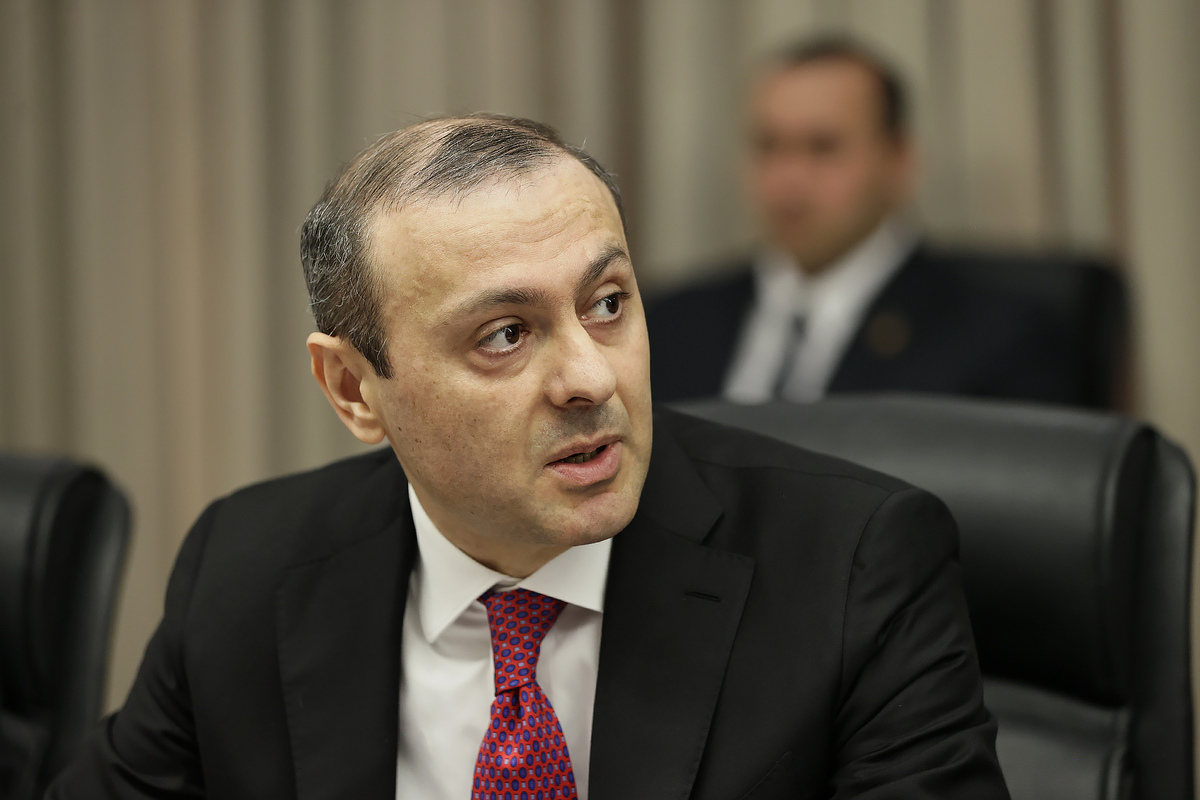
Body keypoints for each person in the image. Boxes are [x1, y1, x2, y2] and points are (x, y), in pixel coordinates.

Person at [48, 114, 1009, 798]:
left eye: (607, 304)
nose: (590, 379)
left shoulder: (853, 566)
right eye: (505, 335)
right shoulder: (247, 570)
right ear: (353, 390)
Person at [646, 37, 1115, 406]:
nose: (788, 180)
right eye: (768, 146)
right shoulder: (665, 326)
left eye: (823, 148)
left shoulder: (1001, 338)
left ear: (899, 159)